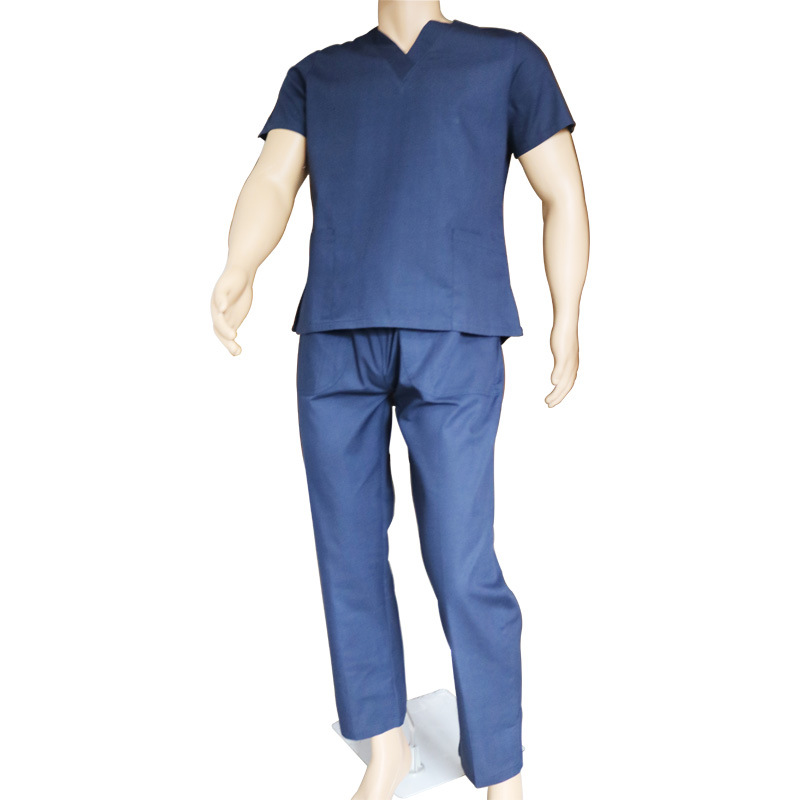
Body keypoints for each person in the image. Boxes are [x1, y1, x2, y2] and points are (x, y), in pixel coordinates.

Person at [210, 4, 589, 799]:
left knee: (460, 558)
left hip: (455, 330)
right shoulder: (319, 74)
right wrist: (239, 265)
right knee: (346, 552)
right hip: (335, 333)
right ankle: (384, 748)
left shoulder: (507, 60)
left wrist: (568, 316)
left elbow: (561, 192)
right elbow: (273, 179)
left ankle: (502, 770)